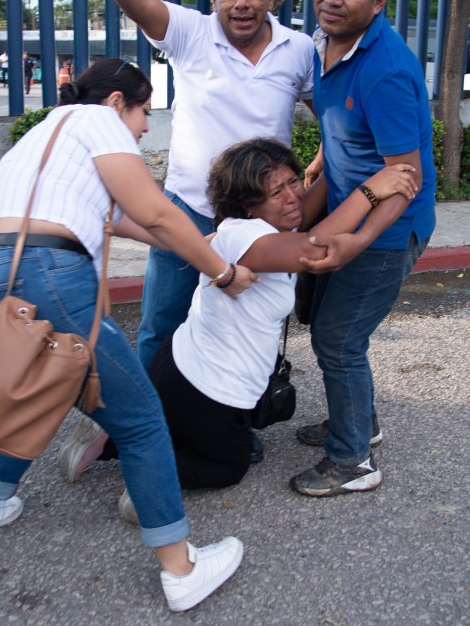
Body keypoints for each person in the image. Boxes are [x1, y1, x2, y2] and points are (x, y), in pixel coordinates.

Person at [0, 58, 257, 612]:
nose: (143, 127)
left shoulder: (45, 133)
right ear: (118, 102)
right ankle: (180, 568)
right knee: (139, 420)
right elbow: (157, 214)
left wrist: (207, 241)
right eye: (143, 112)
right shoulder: (98, 122)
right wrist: (224, 271)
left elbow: (131, 222)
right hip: (45, 278)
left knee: (39, 393)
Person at [61, 139, 417, 499]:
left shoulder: (255, 228)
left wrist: (338, 162)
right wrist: (371, 190)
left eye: (294, 182)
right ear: (247, 204)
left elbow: (309, 221)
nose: (292, 196)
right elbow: (316, 248)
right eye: (276, 191)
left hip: (180, 369)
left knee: (183, 433)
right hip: (205, 390)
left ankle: (117, 433)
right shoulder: (246, 237)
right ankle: (148, 473)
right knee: (228, 466)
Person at [74, 0, 316, 375]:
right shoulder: (190, 33)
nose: (242, 3)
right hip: (188, 211)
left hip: (259, 220)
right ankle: (144, 429)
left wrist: (312, 173)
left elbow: (334, 121)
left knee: (247, 326)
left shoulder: (300, 50)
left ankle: (235, 420)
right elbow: (134, 0)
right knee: (161, 324)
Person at [289, 0, 436, 497]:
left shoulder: (387, 71)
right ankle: (360, 424)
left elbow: (405, 177)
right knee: (329, 325)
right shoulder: (325, 45)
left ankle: (352, 461)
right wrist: (328, 153)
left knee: (338, 340)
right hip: (349, 206)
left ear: (377, 2)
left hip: (387, 229)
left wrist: (359, 242)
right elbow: (334, 112)